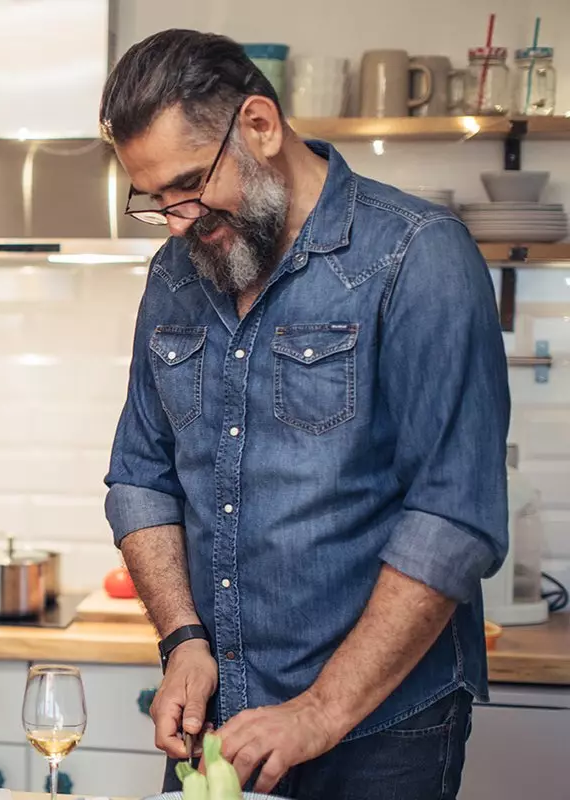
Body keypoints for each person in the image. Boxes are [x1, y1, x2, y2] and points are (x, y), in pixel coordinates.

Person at [99, 29, 510, 800]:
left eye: (189, 183)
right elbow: (142, 477)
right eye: (157, 201)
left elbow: (454, 520)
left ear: (259, 124)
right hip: (221, 724)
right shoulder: (174, 277)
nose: (178, 219)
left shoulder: (416, 257)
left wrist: (319, 712)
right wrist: (182, 639)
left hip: (381, 731)